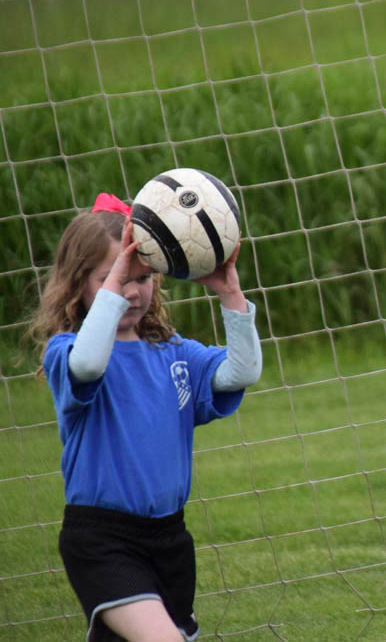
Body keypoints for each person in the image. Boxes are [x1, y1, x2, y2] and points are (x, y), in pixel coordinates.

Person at [27, 193, 262, 642]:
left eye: (142, 278)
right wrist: (112, 292)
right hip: (101, 539)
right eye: (114, 280)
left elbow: (242, 371)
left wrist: (230, 293)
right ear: (79, 285)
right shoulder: (68, 353)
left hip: (169, 539)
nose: (132, 292)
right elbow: (90, 365)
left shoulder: (175, 355)